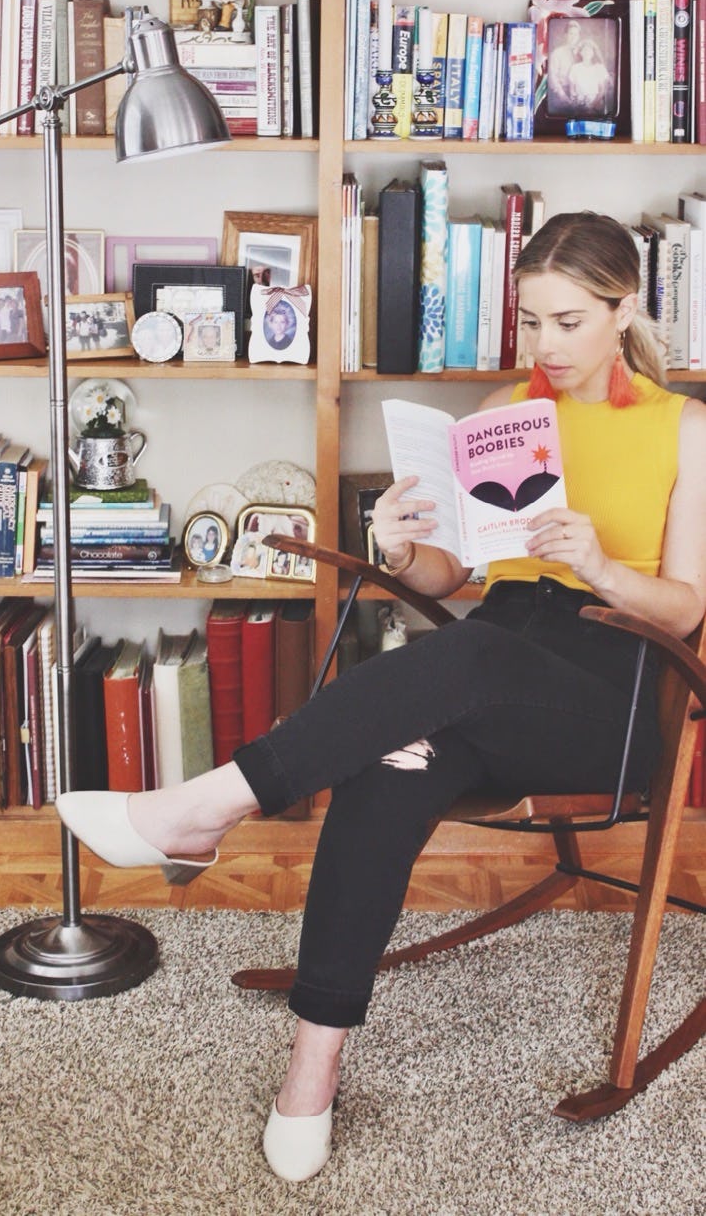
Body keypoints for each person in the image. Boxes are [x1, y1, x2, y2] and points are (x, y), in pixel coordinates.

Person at [57, 212, 706, 1183]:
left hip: (609, 696)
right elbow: (454, 576)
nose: (544, 344)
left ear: (622, 311)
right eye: (530, 321)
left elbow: (688, 606)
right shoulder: (502, 411)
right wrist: (402, 548)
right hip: (494, 656)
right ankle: (310, 1069)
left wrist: (603, 567)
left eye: (567, 322)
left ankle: (207, 805)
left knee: (467, 659)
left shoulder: (682, 427)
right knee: (394, 759)